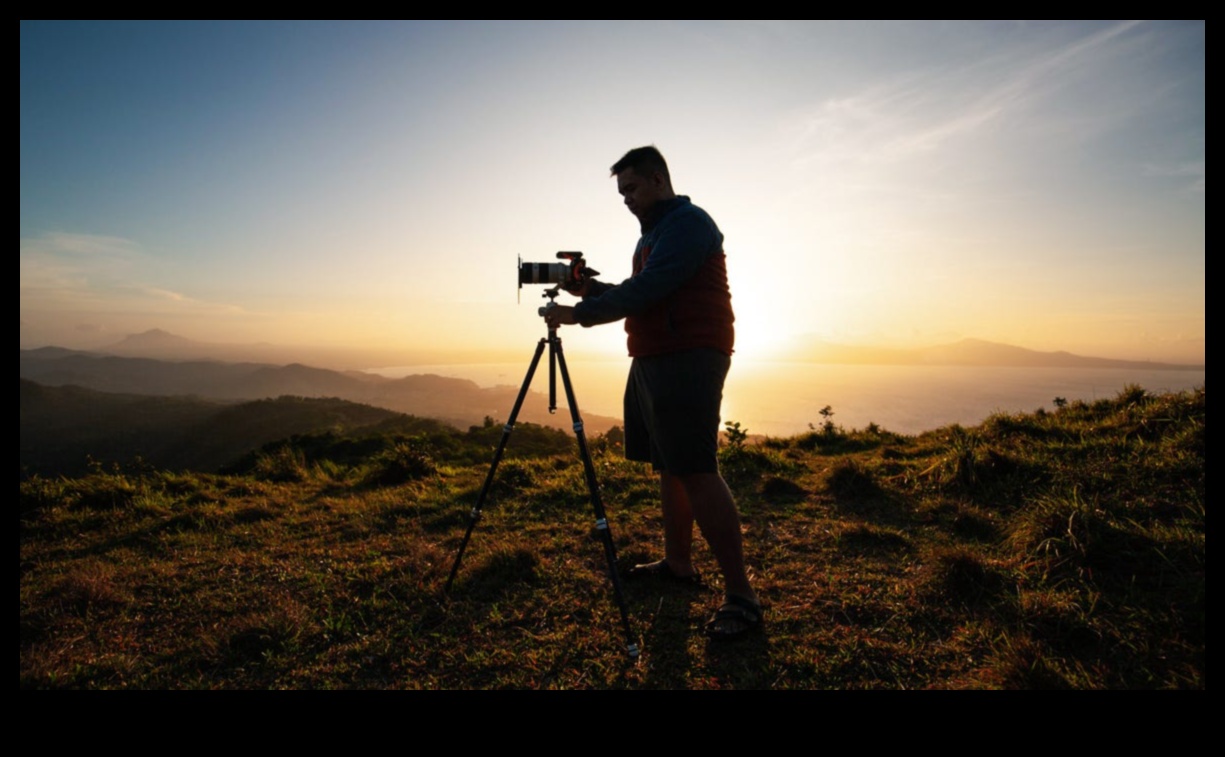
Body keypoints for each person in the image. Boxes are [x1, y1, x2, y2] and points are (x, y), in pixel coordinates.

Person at [544, 146, 762, 641]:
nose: (626, 200)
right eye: (621, 192)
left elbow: (652, 289)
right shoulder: (657, 234)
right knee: (670, 466)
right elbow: (643, 287)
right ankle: (677, 564)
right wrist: (592, 290)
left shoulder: (688, 223)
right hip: (655, 356)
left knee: (697, 469)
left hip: (687, 356)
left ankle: (742, 597)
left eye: (632, 189)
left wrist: (579, 315)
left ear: (659, 179)